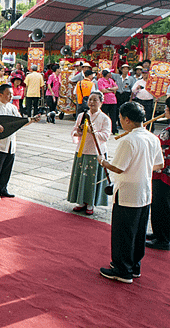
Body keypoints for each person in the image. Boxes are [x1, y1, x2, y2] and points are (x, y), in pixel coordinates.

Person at [97, 102, 163, 283]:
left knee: (123, 232)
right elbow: (159, 165)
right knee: (138, 231)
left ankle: (122, 269)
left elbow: (118, 168)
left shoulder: (129, 140)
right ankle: (134, 266)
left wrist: (103, 162)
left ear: (127, 119)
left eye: (120, 119)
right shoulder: (152, 138)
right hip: (145, 191)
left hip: (128, 192)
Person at [0, 84, 38, 201]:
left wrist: (31, 120)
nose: (11, 96)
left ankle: (3, 188)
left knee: (7, 168)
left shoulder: (13, 108)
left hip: (11, 144)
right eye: (8, 94)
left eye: (12, 94)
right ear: (0, 94)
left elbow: (19, 122)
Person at [67, 92, 111, 215]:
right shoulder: (82, 115)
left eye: (95, 100)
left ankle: (90, 203)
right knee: (80, 176)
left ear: (101, 102)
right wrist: (79, 132)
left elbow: (106, 136)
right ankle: (80, 201)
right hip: (82, 149)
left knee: (92, 178)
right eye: (90, 99)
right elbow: (74, 130)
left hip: (95, 151)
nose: (91, 102)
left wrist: (93, 132)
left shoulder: (104, 118)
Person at [147, 97, 170, 251]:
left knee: (162, 204)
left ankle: (163, 238)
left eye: (167, 108)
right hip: (163, 170)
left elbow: (159, 143)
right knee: (159, 203)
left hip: (164, 172)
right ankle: (159, 233)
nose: (165, 111)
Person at [98, 69, 119, 134]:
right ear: (107, 74)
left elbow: (116, 87)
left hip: (113, 101)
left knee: (113, 116)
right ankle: (102, 129)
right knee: (103, 116)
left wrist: (109, 89)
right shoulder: (100, 81)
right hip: (105, 101)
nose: (111, 74)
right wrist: (112, 90)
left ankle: (114, 130)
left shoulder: (111, 80)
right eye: (110, 73)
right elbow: (103, 90)